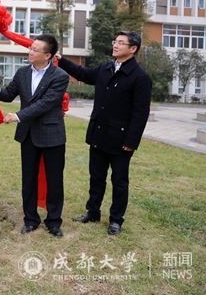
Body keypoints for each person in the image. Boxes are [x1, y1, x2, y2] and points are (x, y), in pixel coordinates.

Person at [56, 31, 151, 235]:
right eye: (115, 41)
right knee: (96, 176)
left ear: (132, 49)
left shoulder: (140, 77)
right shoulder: (105, 68)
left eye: (121, 43)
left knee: (119, 181)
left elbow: (141, 113)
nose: (115, 45)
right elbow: (82, 74)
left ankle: (116, 220)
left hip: (121, 139)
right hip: (99, 133)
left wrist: (131, 141)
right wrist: (61, 60)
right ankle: (93, 212)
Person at [0, 34, 69, 238]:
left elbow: (46, 103)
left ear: (48, 55)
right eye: (31, 48)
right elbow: (9, 95)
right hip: (28, 135)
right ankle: (30, 219)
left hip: (52, 135)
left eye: (35, 50)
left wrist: (18, 116)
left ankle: (54, 222)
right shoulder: (23, 72)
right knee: (28, 179)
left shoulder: (59, 76)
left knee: (54, 180)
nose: (30, 52)